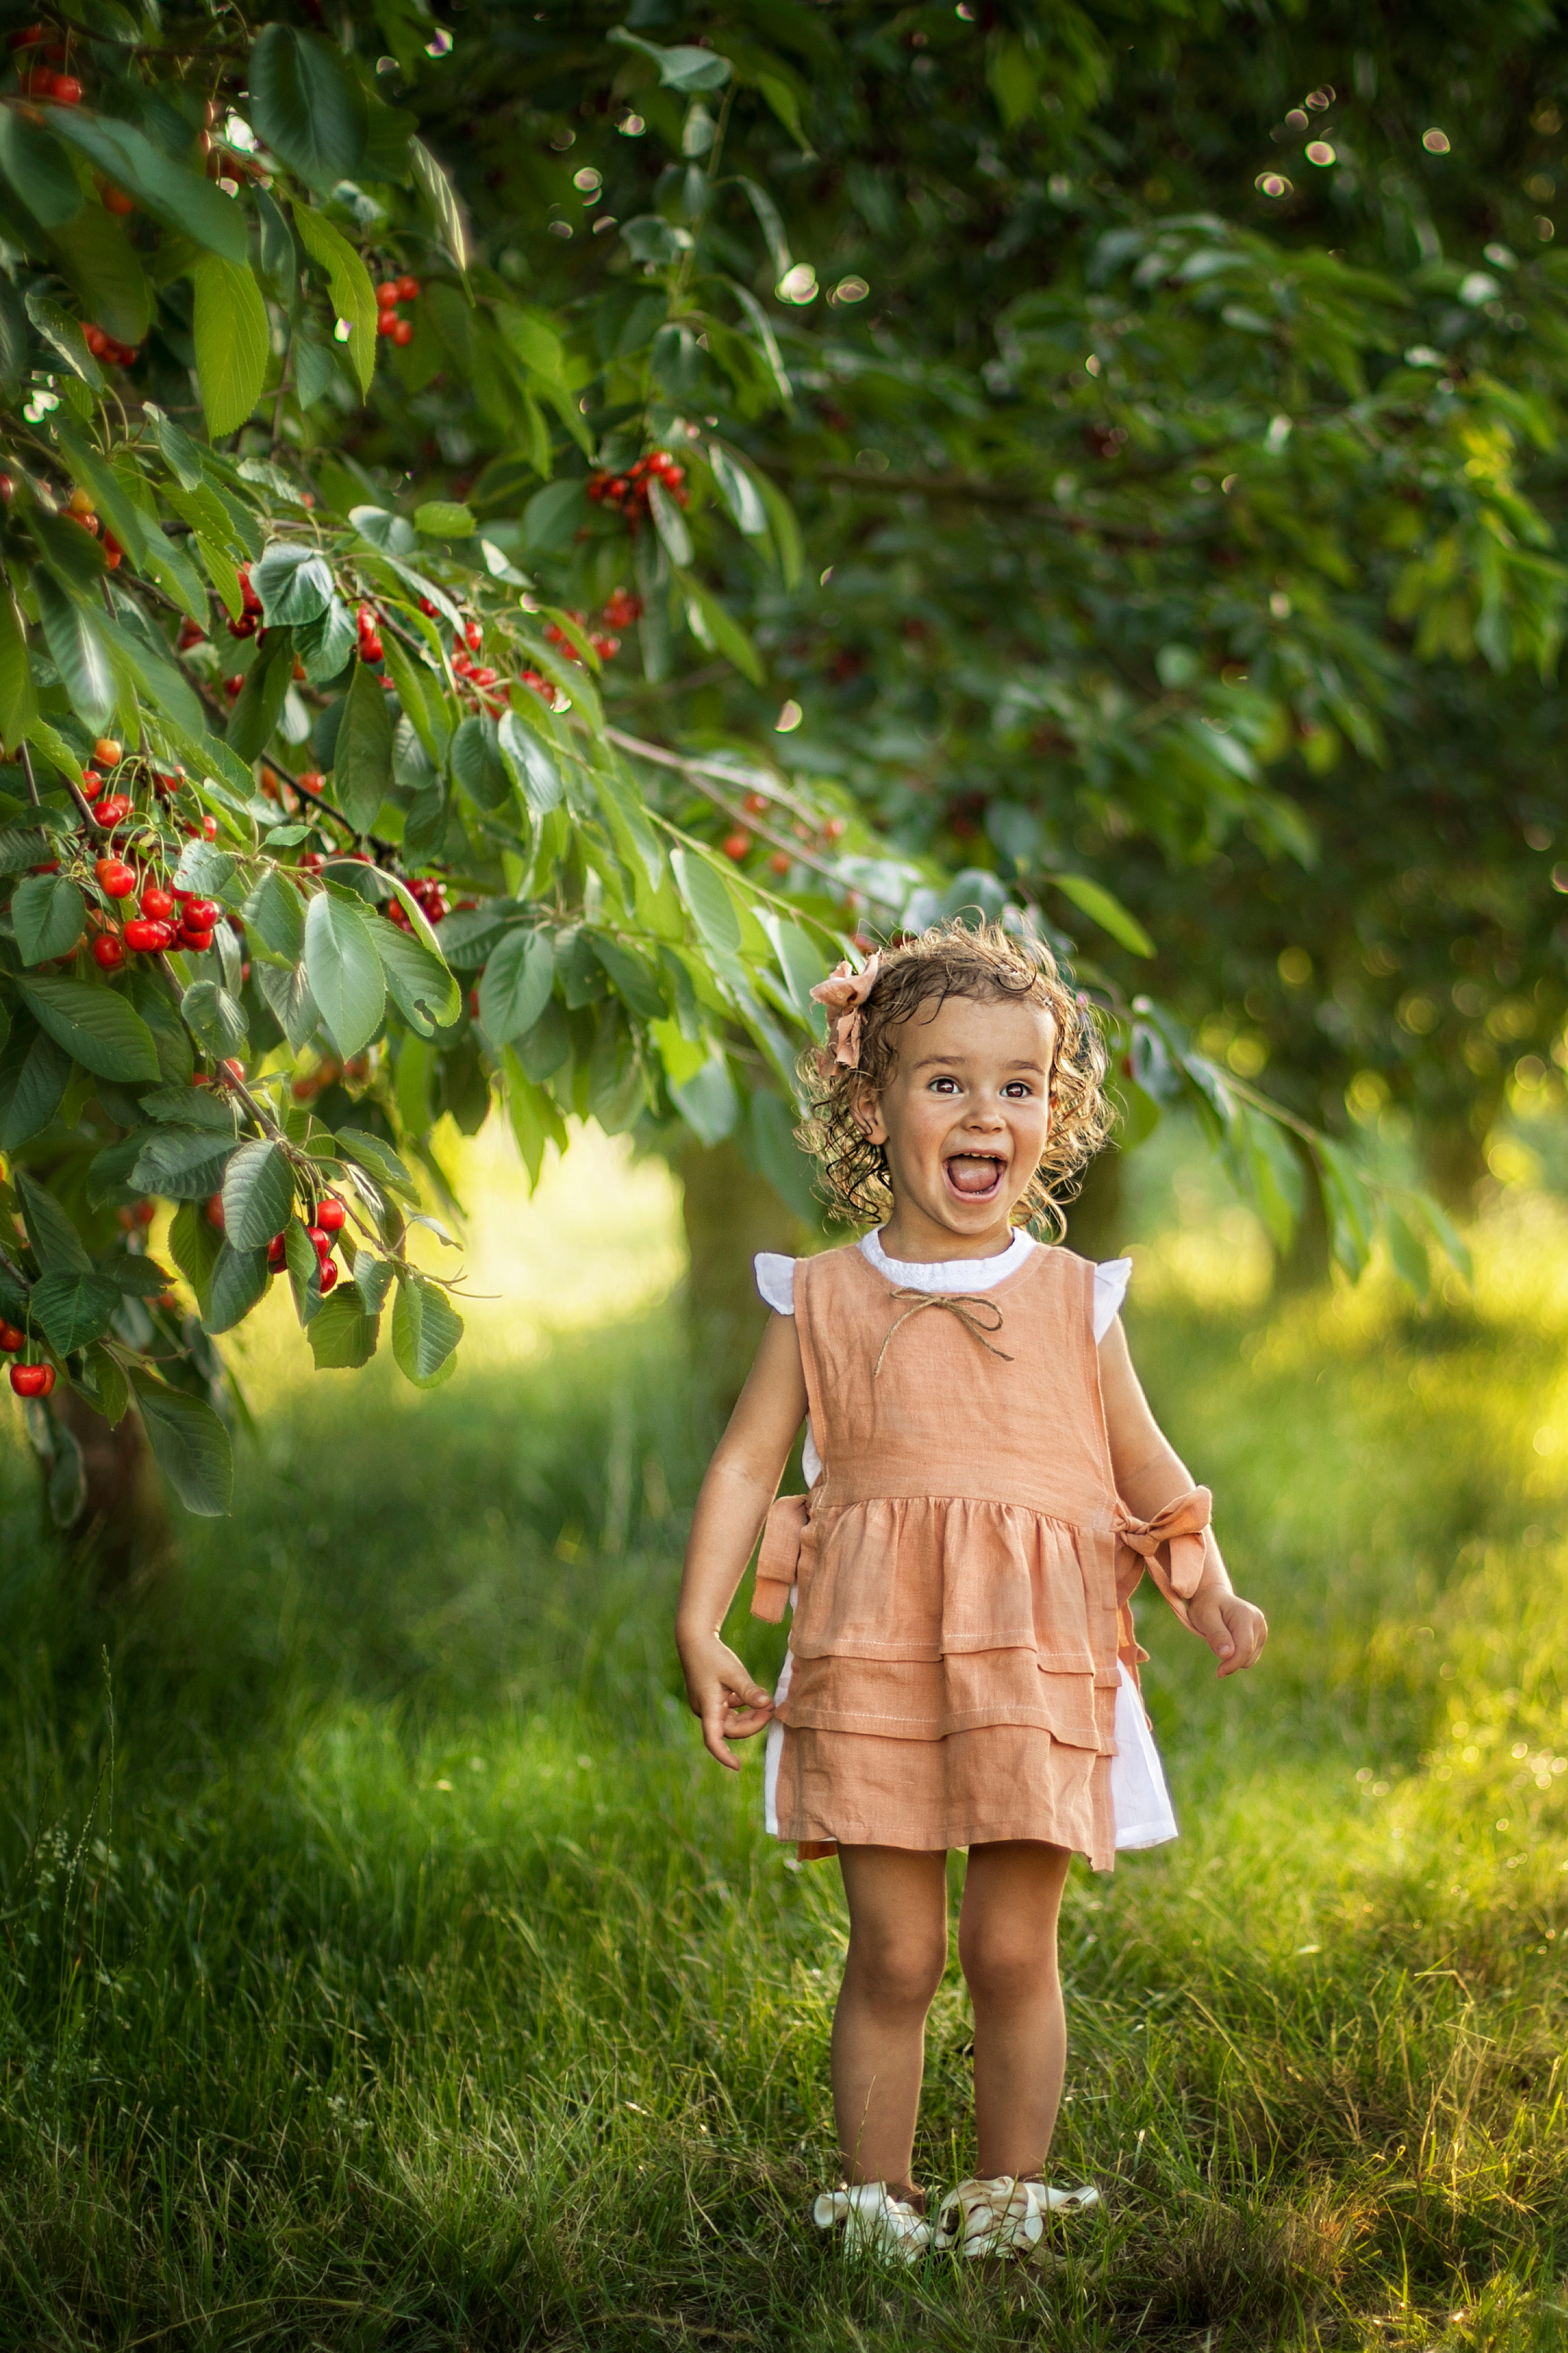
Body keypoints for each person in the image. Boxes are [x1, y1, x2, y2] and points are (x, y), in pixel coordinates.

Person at [674, 921, 1267, 2264]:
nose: (983, 1111)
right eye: (943, 1081)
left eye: (1017, 1086)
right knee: (895, 1955)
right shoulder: (818, 1297)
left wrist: (1204, 1586)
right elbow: (739, 1468)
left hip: (1030, 1668)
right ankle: (873, 2204)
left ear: (1050, 1117)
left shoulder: (1071, 1298)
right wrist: (699, 1624)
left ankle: (1007, 2190)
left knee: (1009, 1950)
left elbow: (1147, 1464)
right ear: (870, 1105)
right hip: (872, 1665)